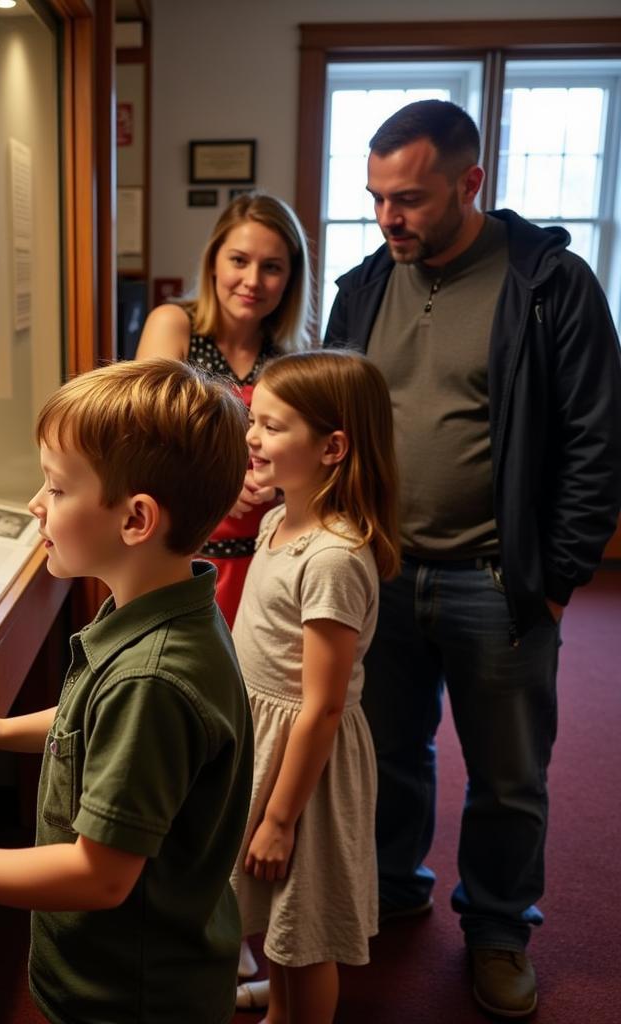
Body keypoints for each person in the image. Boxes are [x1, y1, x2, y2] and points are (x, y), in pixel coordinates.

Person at [324, 98, 621, 1018]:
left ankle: (497, 930)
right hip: (380, 571)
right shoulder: (364, 285)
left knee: (506, 775)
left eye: (408, 198)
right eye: (376, 197)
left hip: (500, 581)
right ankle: (388, 885)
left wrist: (560, 578)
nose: (388, 218)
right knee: (387, 753)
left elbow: (595, 440)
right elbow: (335, 426)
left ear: (470, 182)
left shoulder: (549, 283)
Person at [0, 358, 255, 1024]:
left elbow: (101, 875)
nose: (36, 504)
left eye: (58, 488)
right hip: (132, 970)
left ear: (135, 520)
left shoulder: (152, 679)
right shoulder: (154, 605)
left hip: (130, 994)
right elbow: (91, 721)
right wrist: (2, 729)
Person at [230, 351, 400, 1023]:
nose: (252, 437)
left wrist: (279, 818)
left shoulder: (330, 556)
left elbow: (324, 705)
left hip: (308, 770)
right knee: (279, 917)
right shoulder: (278, 521)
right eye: (253, 421)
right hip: (269, 744)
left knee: (306, 933)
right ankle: (280, 1011)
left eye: (271, 427)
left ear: (332, 447)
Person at [136, 193, 312, 627]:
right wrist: (220, 483)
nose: (252, 280)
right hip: (182, 558)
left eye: (272, 267)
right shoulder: (174, 324)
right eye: (239, 260)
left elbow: (311, 462)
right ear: (214, 261)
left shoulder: (292, 353)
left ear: (290, 279)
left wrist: (279, 479)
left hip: (267, 559)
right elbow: (142, 439)